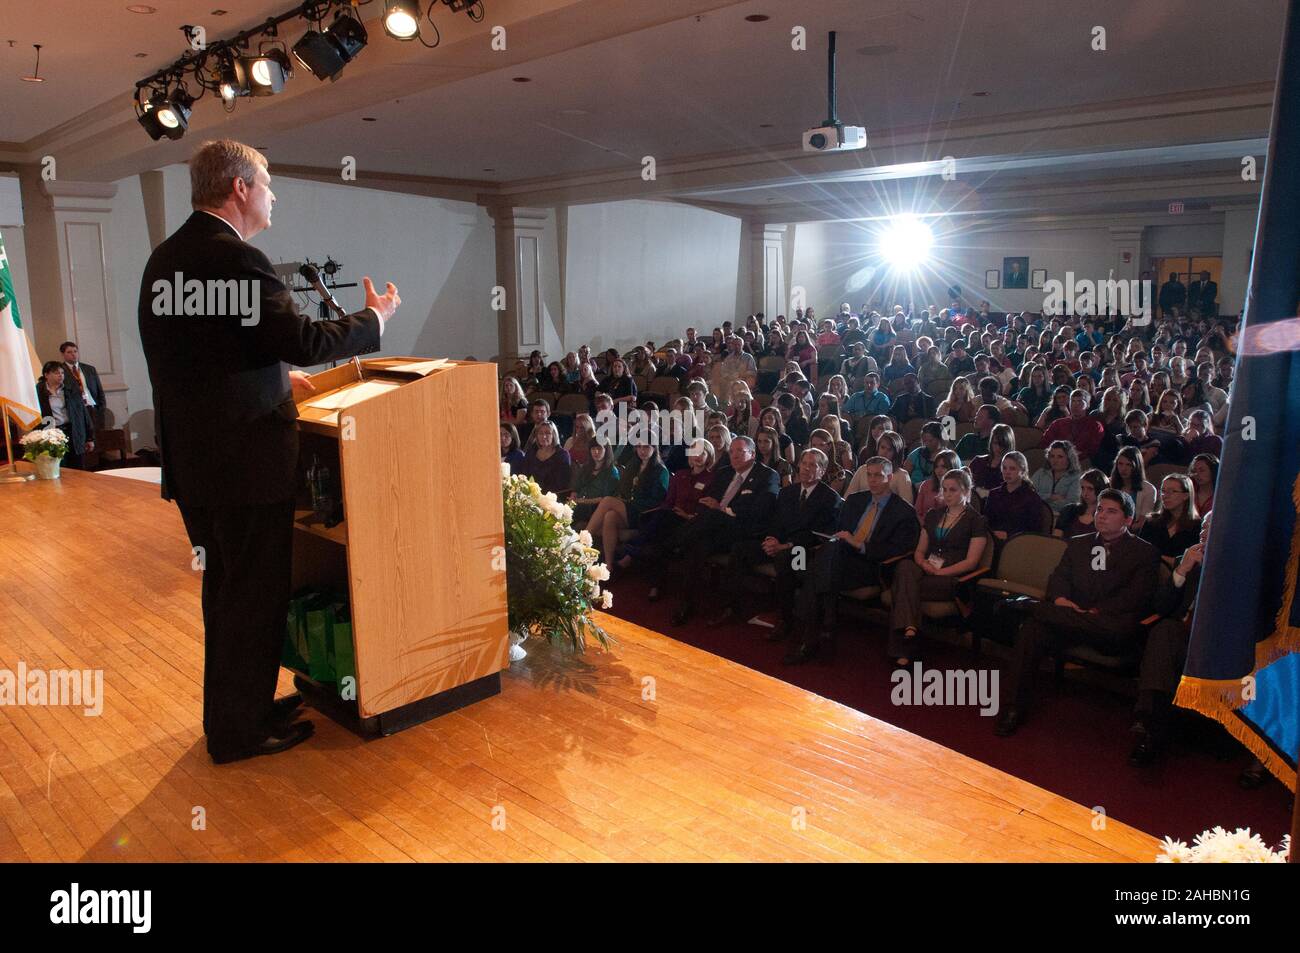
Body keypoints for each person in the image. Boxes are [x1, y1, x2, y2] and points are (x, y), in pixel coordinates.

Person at [138, 139, 400, 764]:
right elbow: (306, 339)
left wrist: (273, 378)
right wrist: (374, 317)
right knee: (253, 595)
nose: (273, 195)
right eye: (268, 184)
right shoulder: (238, 260)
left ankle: (237, 713)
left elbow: (202, 358)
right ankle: (240, 732)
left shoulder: (165, 260)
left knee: (225, 593)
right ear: (239, 189)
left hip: (198, 468)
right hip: (246, 466)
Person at [995, 489, 1160, 736]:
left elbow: (1136, 597)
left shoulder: (1144, 552)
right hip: (1069, 622)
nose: (1101, 515)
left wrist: (1095, 610)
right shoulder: (1080, 543)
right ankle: (1013, 708)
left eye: (1111, 511)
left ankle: (1026, 605)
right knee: (1033, 630)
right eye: (1100, 509)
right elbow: (1059, 577)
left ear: (1127, 520)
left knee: (1043, 615)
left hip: (1107, 628)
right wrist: (1061, 599)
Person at [784, 457, 920, 665]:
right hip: (842, 560)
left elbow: (898, 550)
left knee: (817, 569)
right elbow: (840, 532)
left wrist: (860, 544)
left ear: (890, 477)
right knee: (830, 552)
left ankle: (808, 636)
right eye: (869, 475)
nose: (872, 480)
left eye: (878, 476)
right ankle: (824, 628)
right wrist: (842, 540)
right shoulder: (856, 500)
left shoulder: (903, 511)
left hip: (871, 567)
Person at [709, 448, 842, 636]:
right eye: (804, 463)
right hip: (779, 543)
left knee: (785, 558)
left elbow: (817, 534)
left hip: (805, 552)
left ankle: (786, 619)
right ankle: (730, 607)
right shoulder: (788, 492)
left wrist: (786, 545)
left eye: (812, 465)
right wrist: (772, 539)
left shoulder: (830, 498)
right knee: (741, 549)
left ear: (822, 470)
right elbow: (775, 520)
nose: (806, 468)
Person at [669, 436, 779, 625]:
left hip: (745, 530)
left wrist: (721, 509)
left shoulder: (767, 475)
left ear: (752, 454)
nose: (734, 455)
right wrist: (713, 509)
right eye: (731, 451)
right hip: (715, 531)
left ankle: (673, 542)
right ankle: (686, 603)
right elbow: (706, 501)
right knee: (699, 544)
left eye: (739, 451)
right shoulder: (724, 473)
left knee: (710, 518)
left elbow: (760, 510)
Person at [1130, 512, 1211, 764]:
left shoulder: (1237, 572)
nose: (1203, 535)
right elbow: (1162, 606)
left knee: (1164, 635)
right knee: (1164, 630)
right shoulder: (1185, 561)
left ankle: (1151, 723)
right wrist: (1183, 571)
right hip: (1180, 633)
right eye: (1202, 530)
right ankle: (1154, 728)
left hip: (1212, 641)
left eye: (1211, 530)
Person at [888, 468, 988, 666]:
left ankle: (905, 646)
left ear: (966, 491)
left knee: (903, 588)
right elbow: (919, 551)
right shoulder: (934, 514)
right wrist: (924, 563)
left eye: (954, 490)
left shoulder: (976, 521)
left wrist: (941, 571)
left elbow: (971, 562)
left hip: (952, 577)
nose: (948, 494)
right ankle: (909, 632)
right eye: (945, 489)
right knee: (905, 567)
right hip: (926, 571)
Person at [586, 441, 670, 565]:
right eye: (639, 447)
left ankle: (582, 540)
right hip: (628, 509)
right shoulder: (633, 464)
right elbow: (623, 490)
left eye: (646, 447)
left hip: (644, 513)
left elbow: (657, 501)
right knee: (610, 516)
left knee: (607, 500)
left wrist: (631, 501)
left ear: (654, 448)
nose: (642, 450)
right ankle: (609, 566)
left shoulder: (660, 470)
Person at [35, 361, 95, 470]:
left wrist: (89, 437)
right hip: (52, 433)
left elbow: (83, 413)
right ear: (46, 375)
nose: (60, 375)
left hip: (73, 432)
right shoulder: (39, 392)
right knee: (58, 467)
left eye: (62, 373)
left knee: (77, 468)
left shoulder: (71, 389)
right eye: (56, 373)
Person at [1138, 473, 1201, 567]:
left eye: (1172, 491)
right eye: (1163, 491)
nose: (1165, 495)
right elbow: (1140, 551)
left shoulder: (1197, 526)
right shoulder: (1152, 521)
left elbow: (1193, 562)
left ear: (1186, 496)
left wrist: (1159, 558)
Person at [983, 451, 1043, 543]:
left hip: (1019, 543)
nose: (1007, 472)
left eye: (1012, 469)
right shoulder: (994, 494)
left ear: (1022, 471)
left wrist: (1008, 534)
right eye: (1004, 468)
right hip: (993, 541)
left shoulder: (1032, 498)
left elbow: (1034, 530)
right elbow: (987, 522)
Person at [1042, 389, 1105, 463]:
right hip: (1056, 462)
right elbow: (1044, 443)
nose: (1075, 405)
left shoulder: (1095, 426)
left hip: (1083, 464)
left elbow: (1094, 450)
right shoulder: (1058, 424)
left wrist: (1074, 456)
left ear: (1087, 405)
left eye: (1079, 401)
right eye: (1073, 401)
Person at [569, 439, 620, 524]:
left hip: (597, 509)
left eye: (599, 448)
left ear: (606, 450)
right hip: (579, 504)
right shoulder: (586, 467)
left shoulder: (611, 471)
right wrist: (573, 496)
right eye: (593, 449)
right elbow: (576, 488)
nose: (596, 452)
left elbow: (605, 499)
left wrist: (583, 501)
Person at [59, 341, 107, 430]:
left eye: (75, 351)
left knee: (97, 437)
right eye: (69, 352)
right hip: (76, 411)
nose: (73, 354)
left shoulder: (89, 369)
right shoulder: (60, 371)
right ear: (63, 354)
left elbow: (99, 390)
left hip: (92, 408)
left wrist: (101, 408)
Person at [518, 421, 573, 496]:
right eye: (540, 433)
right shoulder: (531, 452)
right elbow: (524, 475)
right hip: (530, 495)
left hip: (553, 497)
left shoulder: (562, 455)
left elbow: (562, 483)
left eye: (548, 433)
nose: (544, 436)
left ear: (554, 435)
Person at [1030, 440, 1082, 518]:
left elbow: (1072, 504)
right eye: (1052, 456)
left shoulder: (1077, 478)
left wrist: (1041, 500)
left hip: (1063, 518)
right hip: (1036, 514)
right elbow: (1029, 495)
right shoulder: (1041, 473)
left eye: (1060, 457)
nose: (1055, 460)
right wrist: (1051, 497)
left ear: (1069, 459)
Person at [1110, 446, 1155, 530]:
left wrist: (1120, 528)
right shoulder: (1109, 484)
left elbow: (1141, 524)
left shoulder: (1148, 489)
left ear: (1137, 466)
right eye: (1120, 464)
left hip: (1131, 532)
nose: (1124, 469)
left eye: (1129, 465)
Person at [1055, 469, 1107, 537]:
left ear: (1100, 490)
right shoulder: (1069, 510)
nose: (1085, 493)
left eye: (1090, 489)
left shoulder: (1106, 517)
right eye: (1082, 488)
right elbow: (1056, 539)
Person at [969, 423, 1015, 498]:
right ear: (991, 443)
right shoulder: (978, 461)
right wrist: (977, 489)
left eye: (1002, 444)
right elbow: (965, 483)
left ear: (1009, 445)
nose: (998, 447)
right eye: (995, 443)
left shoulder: (1011, 468)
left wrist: (987, 493)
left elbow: (1010, 492)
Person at [914, 449, 960, 518]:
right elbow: (917, 512)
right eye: (936, 466)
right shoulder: (926, 485)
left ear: (953, 467)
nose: (939, 470)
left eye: (943, 467)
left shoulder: (960, 488)